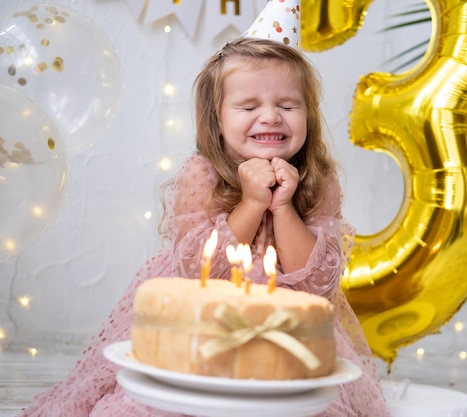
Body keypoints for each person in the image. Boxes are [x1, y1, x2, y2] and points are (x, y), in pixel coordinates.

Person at [18, 32, 391, 417]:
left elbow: (317, 287)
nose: (270, 115)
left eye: (288, 104)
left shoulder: (318, 179)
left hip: (285, 337)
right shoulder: (202, 174)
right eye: (248, 106)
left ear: (308, 115)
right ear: (216, 119)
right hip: (199, 330)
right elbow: (202, 274)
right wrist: (251, 203)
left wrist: (283, 209)